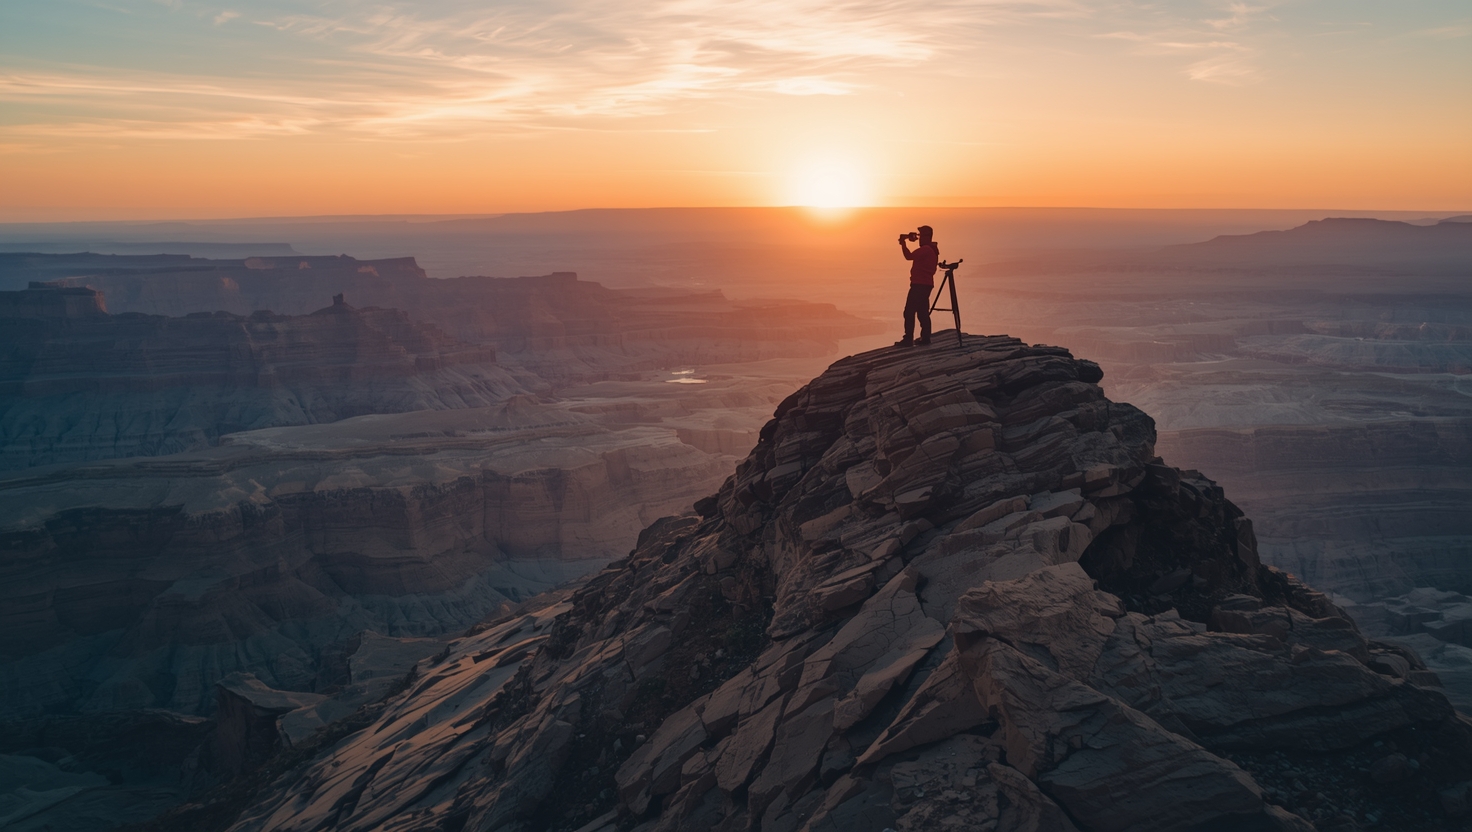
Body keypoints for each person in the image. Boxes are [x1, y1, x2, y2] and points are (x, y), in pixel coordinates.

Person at [896, 225, 938, 346]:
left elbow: (908, 256)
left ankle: (908, 339)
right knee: (922, 312)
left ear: (927, 236)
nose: (919, 238)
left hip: (919, 284)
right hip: (926, 284)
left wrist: (903, 244)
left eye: (921, 236)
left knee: (909, 311)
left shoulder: (925, 249)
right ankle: (925, 338)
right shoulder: (932, 249)